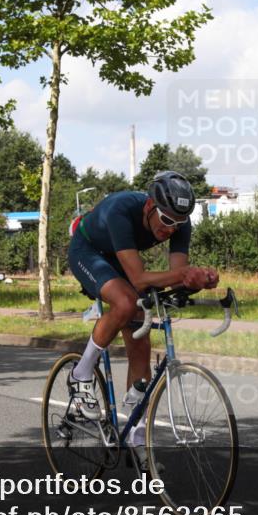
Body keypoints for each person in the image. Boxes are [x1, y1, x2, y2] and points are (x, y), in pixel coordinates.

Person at [67, 171, 218, 433]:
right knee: (125, 303)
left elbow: (176, 277)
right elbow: (138, 279)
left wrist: (199, 280)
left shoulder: (180, 224)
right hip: (88, 251)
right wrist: (183, 274)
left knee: (141, 331)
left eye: (178, 223)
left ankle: (136, 437)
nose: (171, 228)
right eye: (167, 219)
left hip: (120, 257)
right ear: (150, 206)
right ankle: (80, 373)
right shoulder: (121, 210)